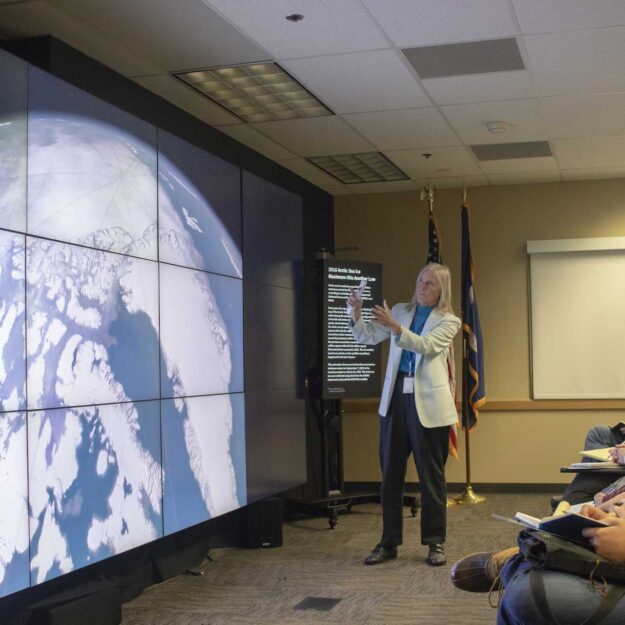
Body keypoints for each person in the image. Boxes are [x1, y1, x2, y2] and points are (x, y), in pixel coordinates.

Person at [347, 263, 460, 566]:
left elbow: (426, 346)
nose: (422, 287)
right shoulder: (399, 310)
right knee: (391, 477)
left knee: (431, 478)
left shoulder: (449, 321)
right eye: (420, 280)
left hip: (429, 407)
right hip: (395, 400)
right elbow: (366, 337)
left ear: (441, 291)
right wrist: (355, 313)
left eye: (430, 284)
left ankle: (435, 543)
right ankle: (388, 543)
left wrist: (396, 329)